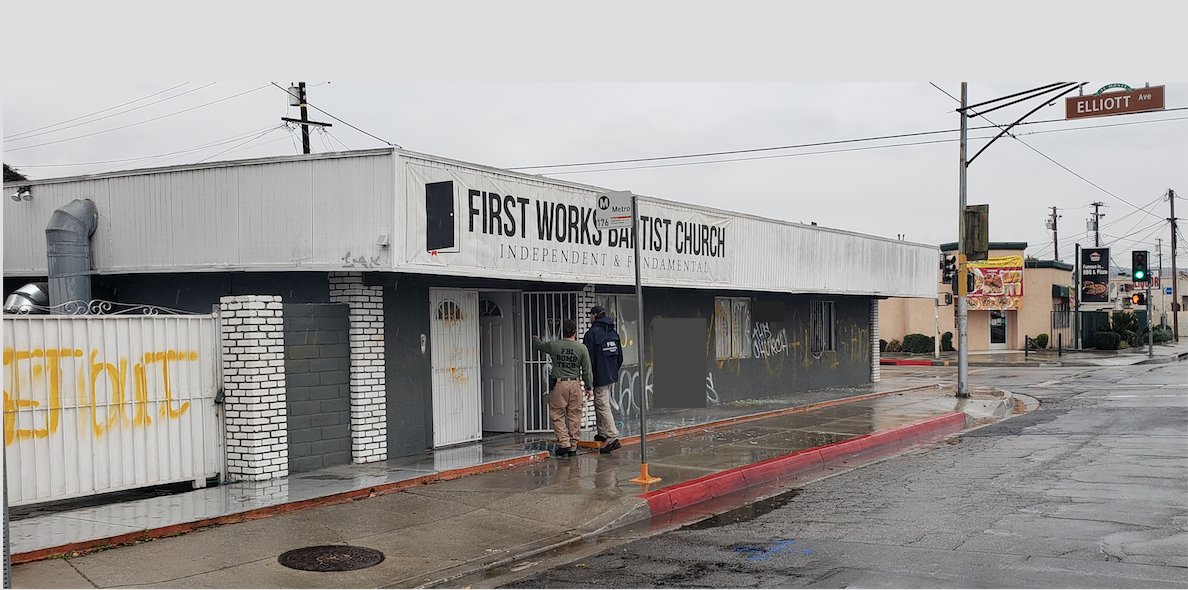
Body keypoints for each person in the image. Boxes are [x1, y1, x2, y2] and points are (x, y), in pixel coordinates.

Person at [532, 319, 593, 457]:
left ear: (563, 332)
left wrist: (535, 338)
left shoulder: (555, 345)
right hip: (576, 384)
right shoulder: (582, 348)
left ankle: (564, 442)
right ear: (575, 332)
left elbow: (540, 346)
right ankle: (573, 446)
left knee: (557, 414)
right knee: (575, 415)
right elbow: (587, 370)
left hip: (559, 385)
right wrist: (589, 387)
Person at [583, 305, 624, 453]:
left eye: (590, 314)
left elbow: (588, 360)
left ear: (595, 315)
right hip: (610, 375)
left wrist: (588, 381)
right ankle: (602, 433)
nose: (589, 317)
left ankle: (612, 437)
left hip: (599, 376)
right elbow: (620, 356)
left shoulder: (591, 334)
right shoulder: (612, 332)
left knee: (602, 405)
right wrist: (612, 371)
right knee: (600, 403)